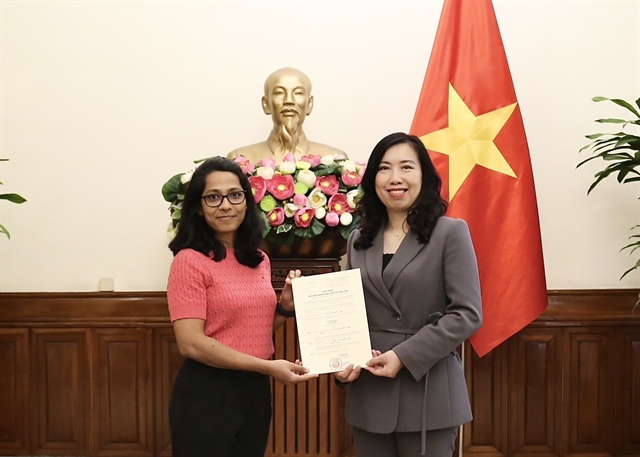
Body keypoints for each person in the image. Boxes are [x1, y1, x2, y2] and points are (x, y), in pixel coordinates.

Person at [334, 132, 483, 457]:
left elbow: (467, 314)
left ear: (424, 176)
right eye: (384, 168)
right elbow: (349, 314)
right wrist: (340, 360)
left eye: (406, 167)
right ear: (373, 179)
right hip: (370, 392)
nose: (395, 178)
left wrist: (403, 356)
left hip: (428, 390)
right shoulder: (358, 239)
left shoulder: (450, 232)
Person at [166, 156, 317, 457]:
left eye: (235, 195)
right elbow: (190, 343)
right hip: (208, 393)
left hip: (255, 393)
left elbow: (249, 329)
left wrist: (284, 308)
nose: (226, 205)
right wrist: (268, 367)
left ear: (247, 201)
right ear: (199, 207)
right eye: (213, 197)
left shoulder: (258, 259)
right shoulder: (189, 261)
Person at [227, 67, 347, 164]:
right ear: (266, 104)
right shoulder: (240, 159)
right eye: (279, 92)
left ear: (309, 104)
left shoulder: (336, 160)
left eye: (298, 93)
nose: (289, 100)